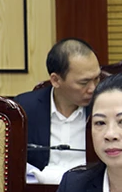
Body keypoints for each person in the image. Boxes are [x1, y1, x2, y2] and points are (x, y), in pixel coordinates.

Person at [14, 38, 101, 184]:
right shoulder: (23, 109)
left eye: (97, 79)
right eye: (84, 82)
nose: (93, 88)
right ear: (56, 80)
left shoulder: (104, 107)